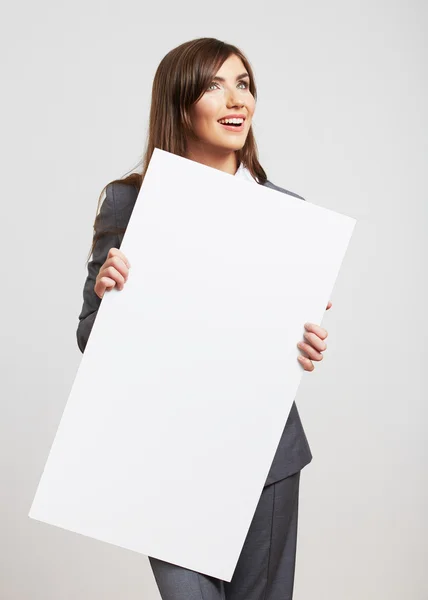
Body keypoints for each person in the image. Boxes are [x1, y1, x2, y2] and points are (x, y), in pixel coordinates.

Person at [76, 37, 331, 600]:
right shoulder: (128, 202)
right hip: (168, 456)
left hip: (264, 456)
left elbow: (285, 343)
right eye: (214, 85)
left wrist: (305, 343)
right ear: (180, 103)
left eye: (243, 83)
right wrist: (108, 296)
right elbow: (90, 338)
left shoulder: (289, 213)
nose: (235, 98)